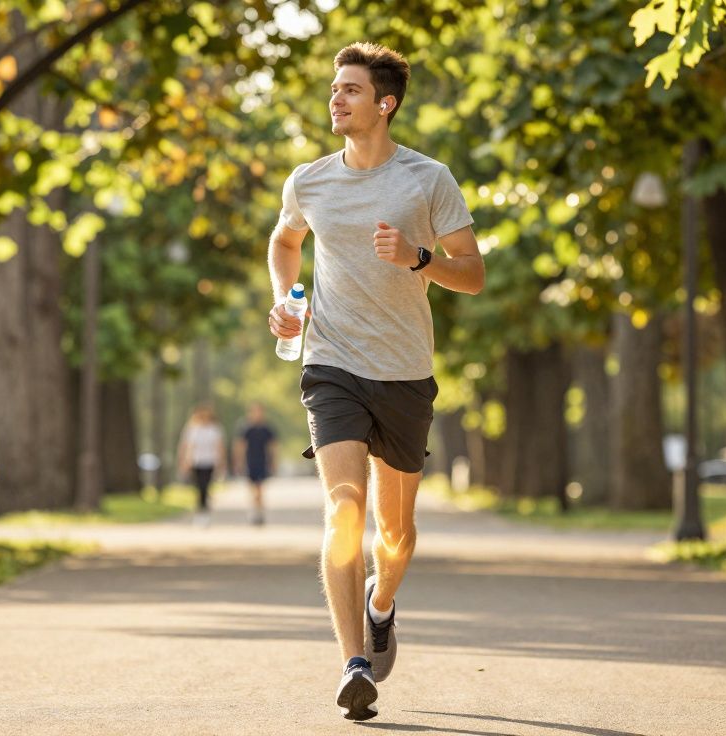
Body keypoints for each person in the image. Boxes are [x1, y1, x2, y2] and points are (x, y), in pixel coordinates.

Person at [266, 42, 485, 722]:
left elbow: (473, 274)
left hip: (405, 372)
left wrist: (420, 258)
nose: (336, 99)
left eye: (351, 90)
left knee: (394, 535)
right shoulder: (310, 181)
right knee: (343, 509)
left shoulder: (427, 180)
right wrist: (289, 300)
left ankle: (381, 602)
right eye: (335, 89)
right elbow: (284, 240)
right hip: (330, 365)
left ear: (385, 104)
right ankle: (353, 663)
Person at [176, 405, 225, 527]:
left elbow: (219, 446)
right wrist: (183, 461)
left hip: (209, 462)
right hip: (195, 462)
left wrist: (221, 462)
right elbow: (185, 446)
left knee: (205, 485)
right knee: (198, 487)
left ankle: (204, 511)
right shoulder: (192, 429)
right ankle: (201, 509)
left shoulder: (214, 429)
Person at [233, 403, 278, 526]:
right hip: (250, 462)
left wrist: (273, 461)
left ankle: (259, 513)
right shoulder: (246, 428)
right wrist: (239, 462)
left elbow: (272, 446)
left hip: (262, 462)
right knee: (252, 489)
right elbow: (240, 446)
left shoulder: (267, 429)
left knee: (260, 488)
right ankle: (255, 510)